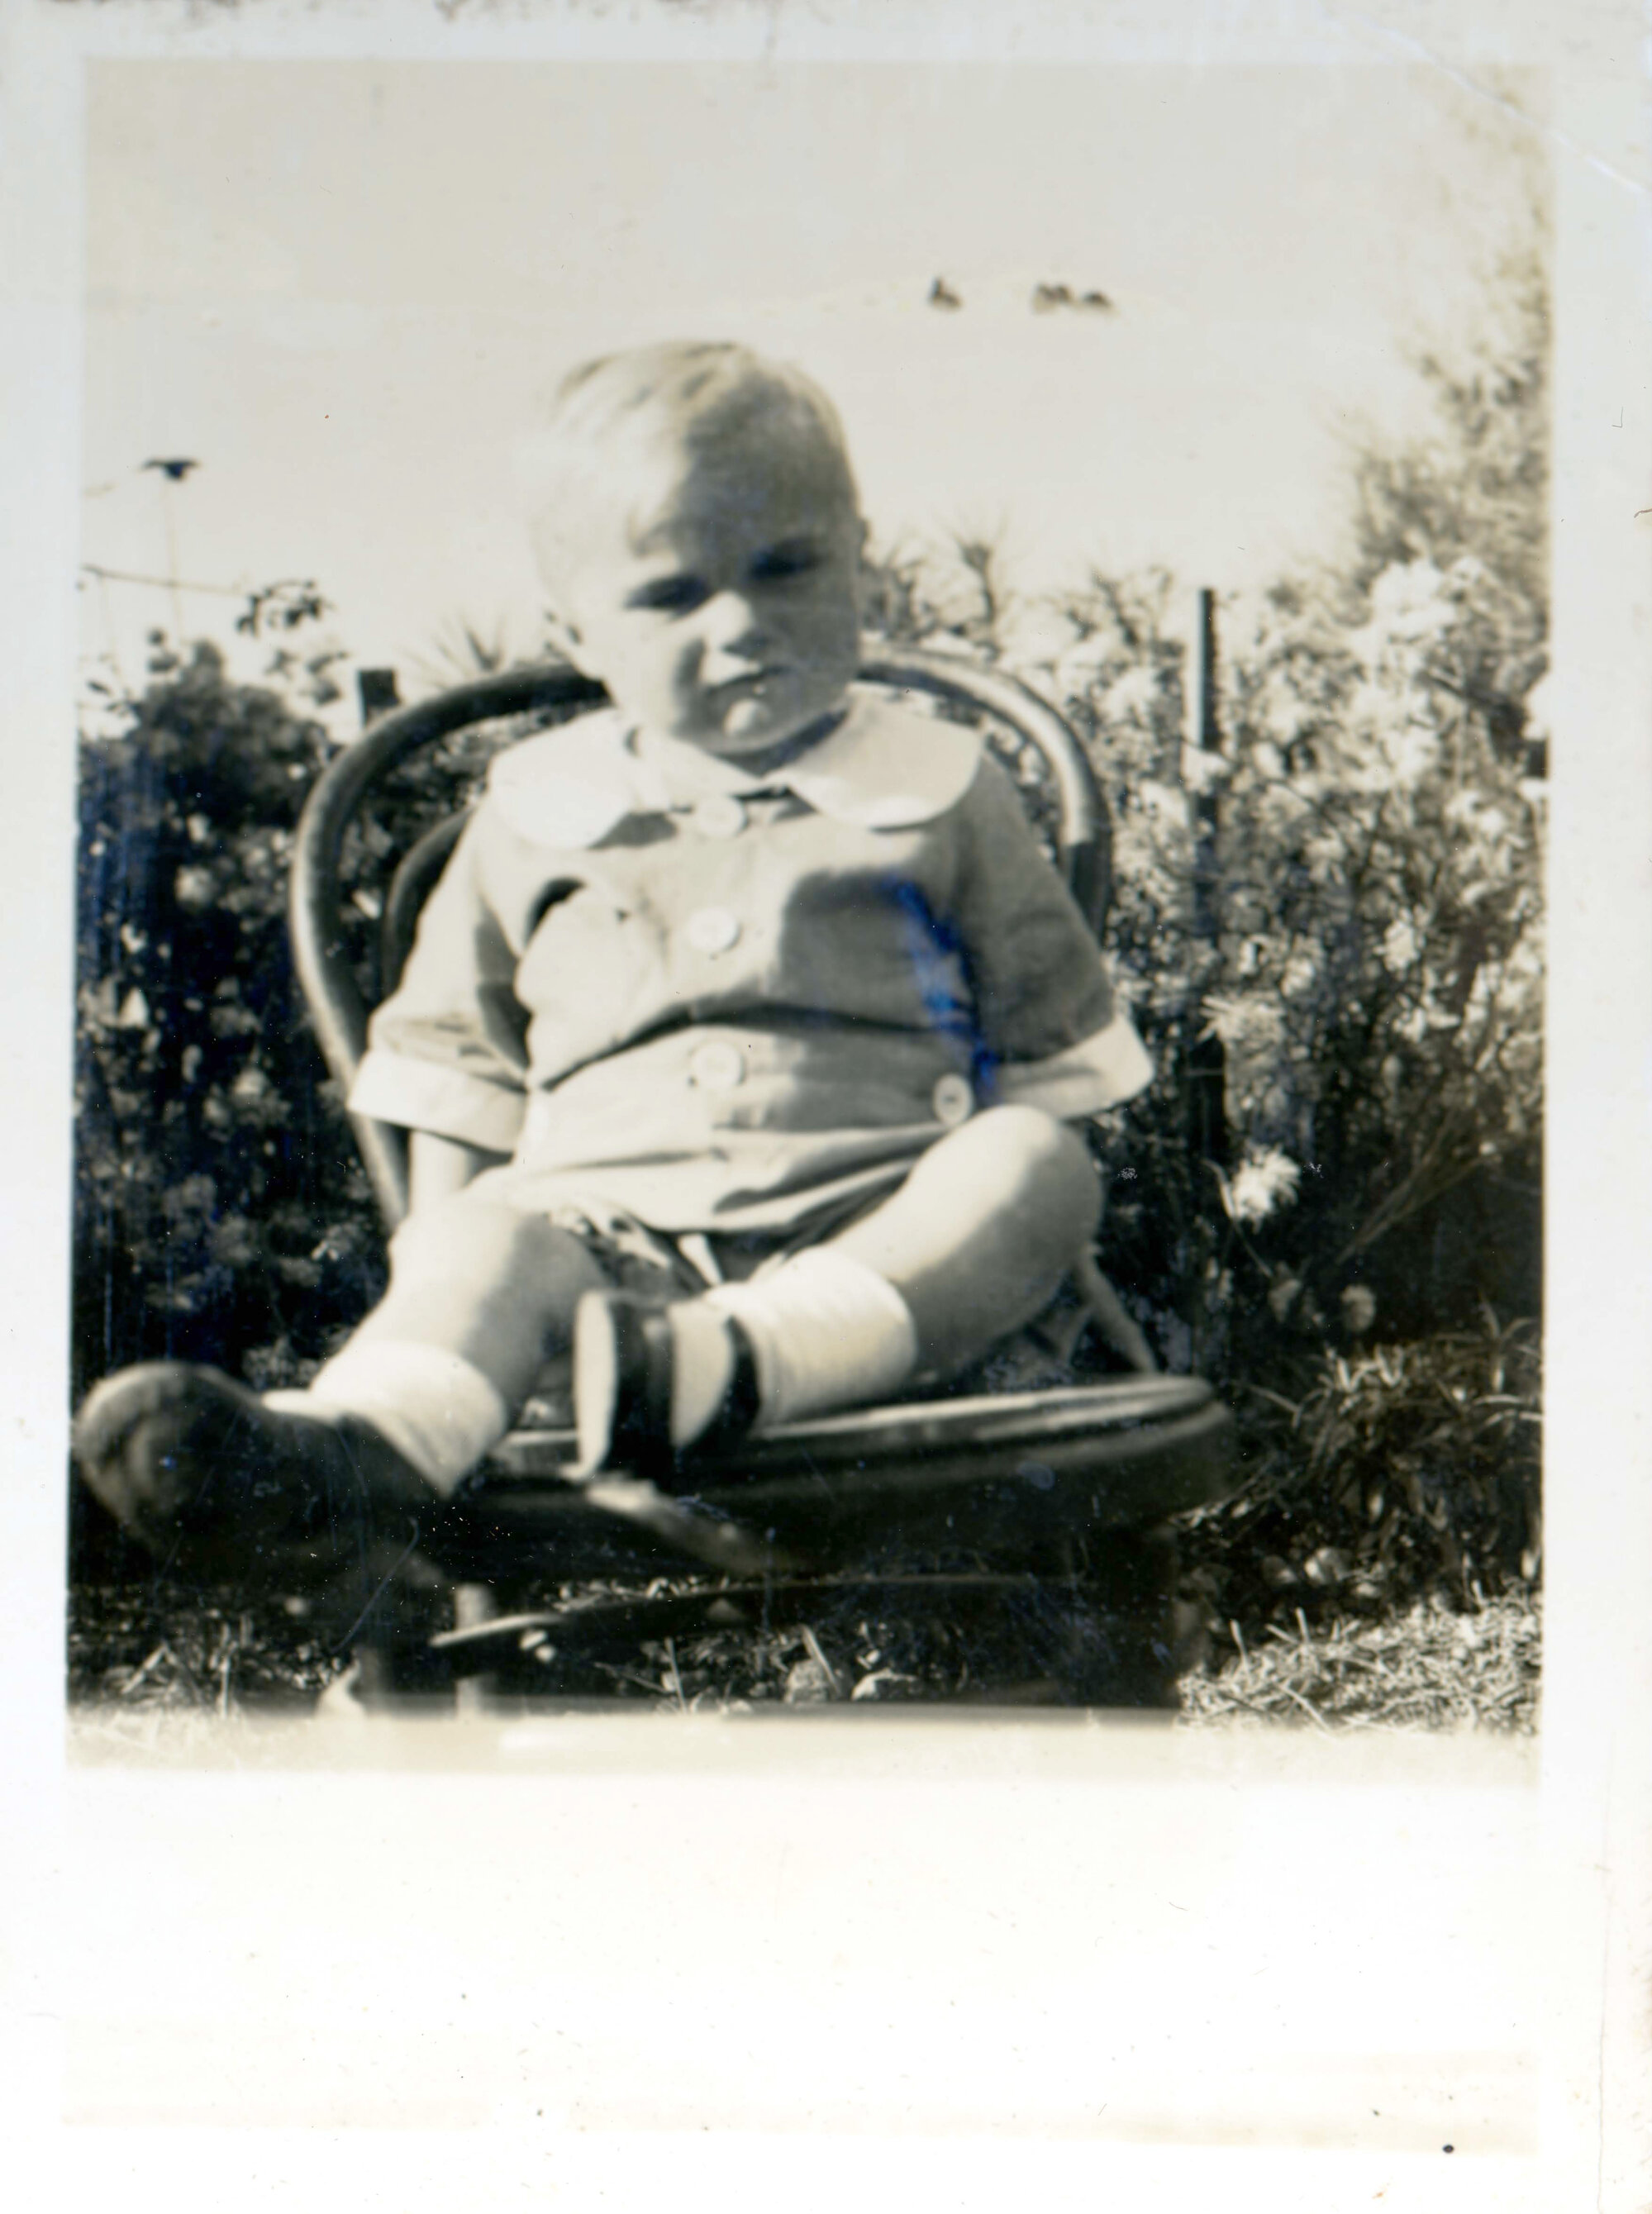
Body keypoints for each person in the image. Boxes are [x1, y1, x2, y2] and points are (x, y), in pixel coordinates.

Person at [74, 340, 1153, 1585]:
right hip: (600, 1250)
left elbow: (1050, 1053)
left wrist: (988, 1229)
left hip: (879, 1239)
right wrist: (461, 1285)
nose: (743, 621)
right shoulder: (537, 811)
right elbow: (456, 1074)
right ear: (576, 631)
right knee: (480, 1237)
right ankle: (356, 1459)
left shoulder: (939, 787)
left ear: (860, 552)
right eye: (671, 596)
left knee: (1036, 1164)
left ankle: (741, 1366)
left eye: (788, 567)